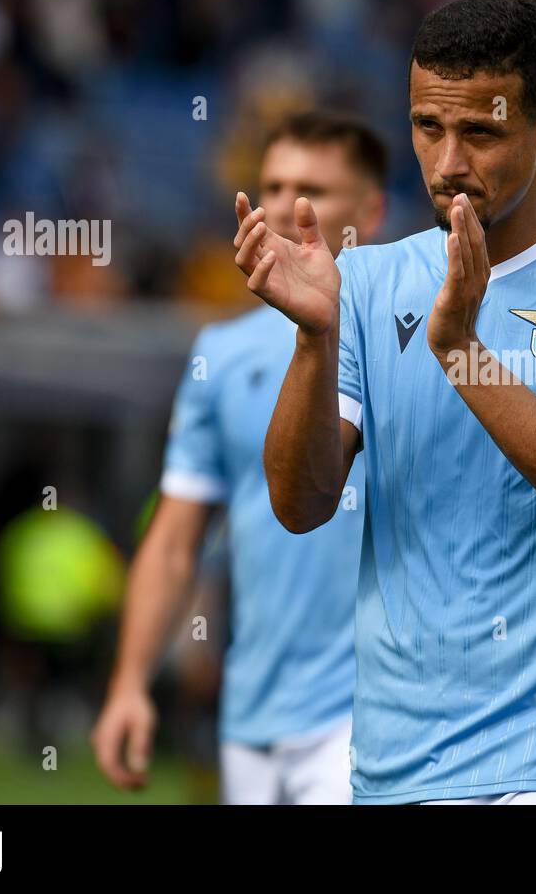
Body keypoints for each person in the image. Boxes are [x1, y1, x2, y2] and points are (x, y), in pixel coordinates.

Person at [232, 0, 536, 804]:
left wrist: (461, 352)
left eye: (480, 132)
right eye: (426, 127)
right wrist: (314, 339)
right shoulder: (367, 284)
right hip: (391, 770)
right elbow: (302, 503)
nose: (448, 162)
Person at [92, 111, 387, 804]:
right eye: (273, 184)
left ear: (370, 211)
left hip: (372, 713)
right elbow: (174, 538)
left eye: (312, 187)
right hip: (250, 718)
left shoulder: (410, 337)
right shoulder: (218, 356)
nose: (285, 204)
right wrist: (130, 682)